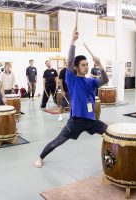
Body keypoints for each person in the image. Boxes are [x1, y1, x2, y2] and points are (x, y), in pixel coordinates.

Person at [35, 27, 109, 168]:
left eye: (87, 65)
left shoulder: (91, 81)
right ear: (76, 67)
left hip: (91, 120)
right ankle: (40, 157)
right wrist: (72, 41)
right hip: (76, 121)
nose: (86, 67)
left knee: (111, 133)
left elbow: (105, 80)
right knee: (58, 141)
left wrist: (99, 65)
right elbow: (69, 60)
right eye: (83, 65)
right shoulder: (72, 79)